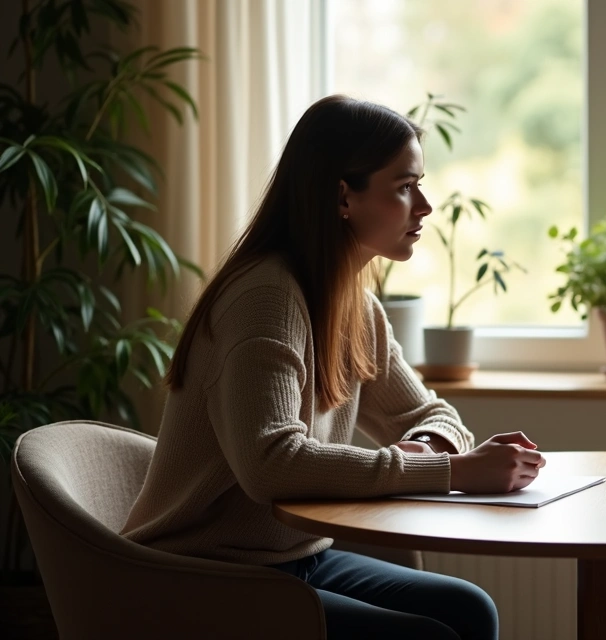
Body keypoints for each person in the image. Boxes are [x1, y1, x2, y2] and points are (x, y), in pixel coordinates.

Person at [122, 95, 546, 640]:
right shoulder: (266, 297)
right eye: (404, 186)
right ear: (343, 196)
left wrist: (428, 447)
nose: (425, 207)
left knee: (468, 609)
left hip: (295, 557)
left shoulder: (354, 304)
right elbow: (270, 465)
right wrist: (452, 471)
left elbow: (435, 413)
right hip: (201, 573)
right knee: (429, 636)